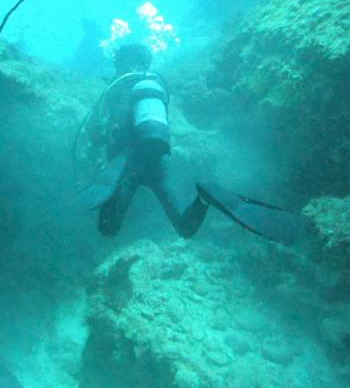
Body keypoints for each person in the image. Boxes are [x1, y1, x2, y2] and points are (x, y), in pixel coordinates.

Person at [77, 43, 307, 244]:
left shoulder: (115, 88)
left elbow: (96, 134)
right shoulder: (154, 84)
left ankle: (201, 198)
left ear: (121, 63)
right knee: (184, 228)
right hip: (159, 159)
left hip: (125, 162)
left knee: (108, 228)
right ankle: (205, 197)